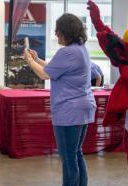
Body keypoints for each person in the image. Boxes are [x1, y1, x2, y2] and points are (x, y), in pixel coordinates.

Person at [23, 13, 96, 186]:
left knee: (68, 157)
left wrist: (29, 61)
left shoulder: (67, 52)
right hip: (82, 108)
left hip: (69, 111)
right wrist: (37, 59)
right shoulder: (80, 49)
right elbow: (55, 68)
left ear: (65, 32)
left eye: (57, 31)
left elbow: (44, 74)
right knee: (76, 153)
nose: (56, 34)